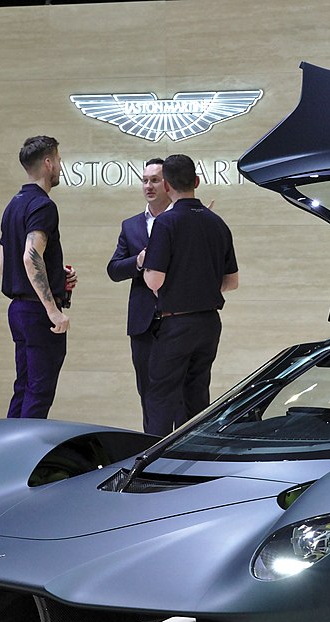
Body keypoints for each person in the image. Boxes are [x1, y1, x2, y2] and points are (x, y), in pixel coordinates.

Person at [141, 154, 239, 435]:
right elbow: (231, 281)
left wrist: (147, 267)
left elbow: (154, 280)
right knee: (197, 395)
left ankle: (155, 459)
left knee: (161, 398)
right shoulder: (217, 223)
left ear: (167, 185)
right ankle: (193, 454)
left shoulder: (166, 223)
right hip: (209, 324)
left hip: (176, 324)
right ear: (196, 182)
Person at [0, 134, 77, 419]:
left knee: (24, 386)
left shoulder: (13, 205)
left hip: (19, 309)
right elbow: (30, 256)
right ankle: (27, 446)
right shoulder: (43, 205)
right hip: (37, 312)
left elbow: (5, 263)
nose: (60, 166)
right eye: (58, 160)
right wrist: (53, 310)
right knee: (39, 390)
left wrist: (55, 274)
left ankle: (10, 443)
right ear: (48, 163)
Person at [106, 157, 170, 433]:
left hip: (177, 318)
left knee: (178, 393)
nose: (148, 186)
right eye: (144, 180)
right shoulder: (130, 225)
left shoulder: (182, 220)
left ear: (168, 184)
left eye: (155, 180)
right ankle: (152, 446)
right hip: (142, 322)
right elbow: (113, 269)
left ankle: (180, 450)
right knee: (147, 391)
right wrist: (139, 262)